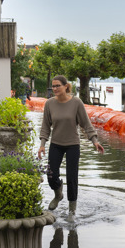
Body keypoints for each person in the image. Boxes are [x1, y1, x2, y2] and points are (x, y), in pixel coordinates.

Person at [38, 75, 104, 215]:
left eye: (57, 86)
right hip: (56, 143)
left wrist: (95, 141)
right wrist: (42, 144)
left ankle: (72, 210)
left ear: (66, 86)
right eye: (53, 86)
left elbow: (86, 124)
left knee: (72, 177)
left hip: (73, 144)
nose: (55, 88)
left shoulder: (76, 103)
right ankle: (58, 194)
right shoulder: (49, 104)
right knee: (51, 175)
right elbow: (45, 126)